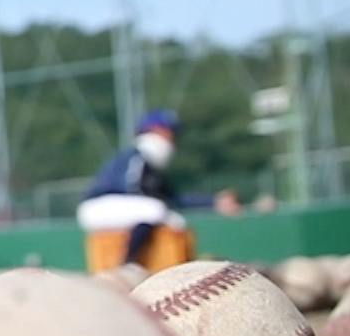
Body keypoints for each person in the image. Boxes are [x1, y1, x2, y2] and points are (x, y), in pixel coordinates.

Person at [78, 110, 241, 283]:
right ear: (153, 130)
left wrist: (214, 202)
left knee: (171, 218)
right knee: (154, 210)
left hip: (122, 207)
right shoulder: (136, 156)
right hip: (99, 206)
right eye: (168, 131)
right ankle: (127, 265)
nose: (172, 137)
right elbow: (130, 188)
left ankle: (175, 269)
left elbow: (172, 199)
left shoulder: (152, 165)